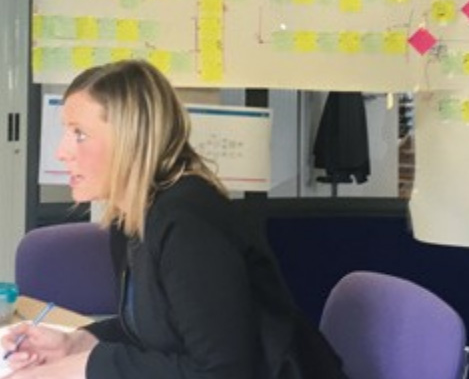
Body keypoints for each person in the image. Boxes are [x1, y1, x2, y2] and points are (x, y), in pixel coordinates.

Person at [1, 60, 347, 379]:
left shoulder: (187, 222)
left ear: (131, 139)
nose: (62, 151)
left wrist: (85, 367)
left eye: (79, 133)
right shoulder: (132, 215)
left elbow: (222, 372)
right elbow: (155, 330)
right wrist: (76, 344)